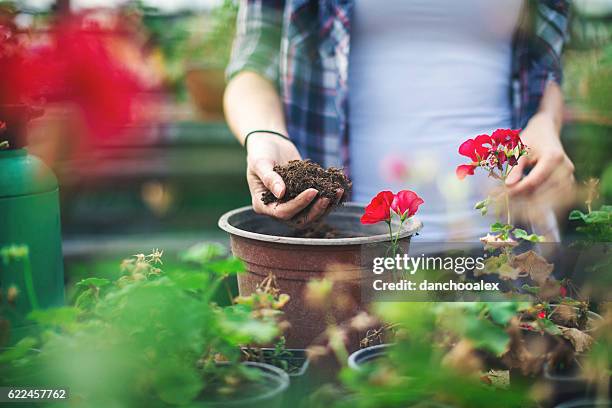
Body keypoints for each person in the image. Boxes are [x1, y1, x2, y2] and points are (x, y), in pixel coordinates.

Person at [223, 0, 575, 241]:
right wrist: (264, 133)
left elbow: (545, 70)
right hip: (345, 251)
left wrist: (546, 122)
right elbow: (252, 64)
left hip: (504, 245)